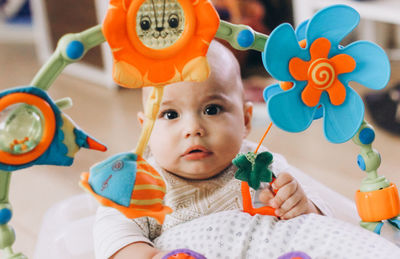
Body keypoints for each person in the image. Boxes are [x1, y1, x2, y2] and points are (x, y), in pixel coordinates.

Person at [93, 41, 332, 259]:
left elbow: (318, 222)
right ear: (146, 129)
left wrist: (300, 204)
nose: (193, 128)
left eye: (212, 110)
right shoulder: (139, 186)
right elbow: (115, 240)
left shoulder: (258, 167)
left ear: (246, 121)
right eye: (170, 114)